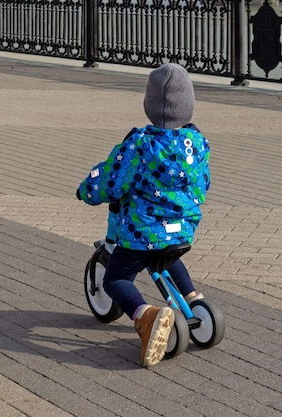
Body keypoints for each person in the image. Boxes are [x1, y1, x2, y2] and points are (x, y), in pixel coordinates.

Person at [77, 63, 210, 367]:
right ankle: (193, 301)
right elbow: (204, 184)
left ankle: (145, 316)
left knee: (116, 278)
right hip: (182, 231)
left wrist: (87, 190)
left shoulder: (139, 145)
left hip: (142, 233)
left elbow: (110, 179)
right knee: (167, 258)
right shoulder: (197, 144)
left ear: (149, 106)